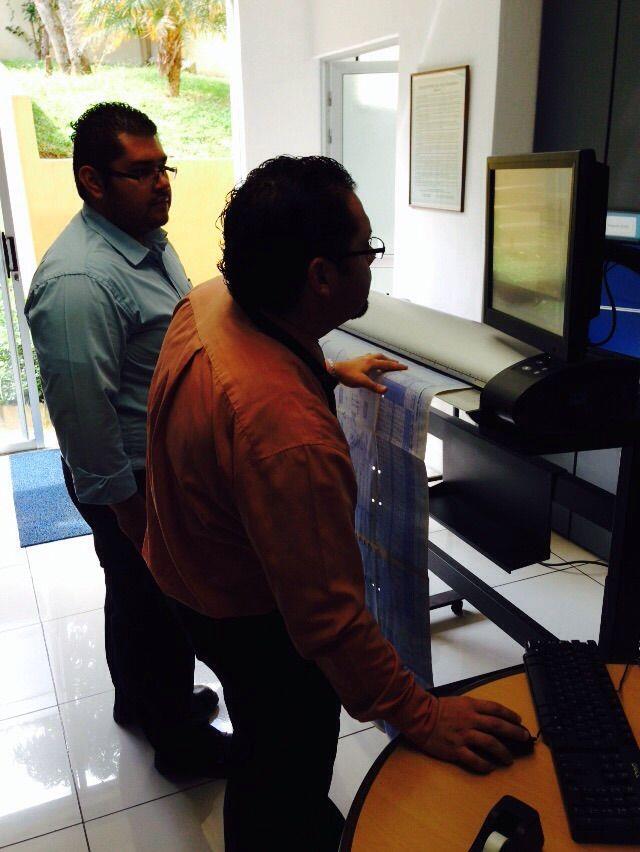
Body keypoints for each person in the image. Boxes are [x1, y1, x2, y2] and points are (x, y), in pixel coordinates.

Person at [143, 155, 531, 850]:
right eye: (366, 249)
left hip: (186, 578)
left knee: (261, 743)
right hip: (250, 619)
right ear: (321, 276)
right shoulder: (289, 438)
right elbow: (329, 622)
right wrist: (423, 715)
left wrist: (323, 370)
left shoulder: (208, 300)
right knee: (282, 763)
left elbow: (250, 370)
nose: (372, 262)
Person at [24, 102, 229, 777]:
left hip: (154, 467)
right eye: (141, 172)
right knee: (159, 601)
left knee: (137, 595)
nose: (162, 183)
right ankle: (179, 744)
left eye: (163, 167)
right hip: (128, 475)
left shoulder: (145, 241)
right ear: (92, 180)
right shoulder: (80, 282)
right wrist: (130, 510)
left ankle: (140, 702)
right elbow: (84, 420)